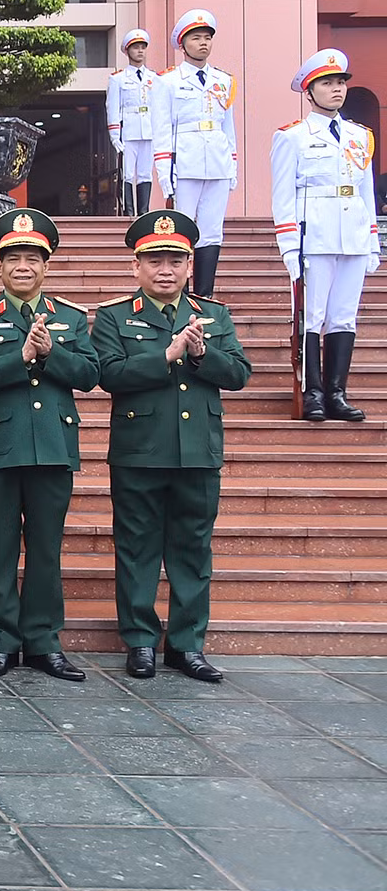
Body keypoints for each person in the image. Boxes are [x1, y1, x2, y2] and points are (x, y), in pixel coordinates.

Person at [93, 210, 251, 682]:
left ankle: (187, 645)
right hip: (139, 451)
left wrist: (202, 353)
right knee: (136, 549)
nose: (166, 270)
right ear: (136, 267)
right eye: (155, 261)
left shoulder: (213, 314)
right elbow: (107, 374)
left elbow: (239, 374)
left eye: (175, 261)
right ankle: (140, 641)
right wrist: (164, 355)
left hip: (198, 450)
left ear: (189, 266)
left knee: (193, 550)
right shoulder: (114, 316)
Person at [0, 209, 97, 682]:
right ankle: (1, 640)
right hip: (0, 446)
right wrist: (21, 356)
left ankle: (43, 642)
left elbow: (89, 375)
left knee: (46, 549)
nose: (22, 266)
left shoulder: (70, 318)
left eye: (32, 258)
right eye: (13, 258)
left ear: (46, 266)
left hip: (53, 445)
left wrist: (52, 353)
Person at [272, 49, 379, 422]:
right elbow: (282, 197)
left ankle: (336, 393)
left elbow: (366, 192)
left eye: (340, 83)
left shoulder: (359, 136)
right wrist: (289, 247)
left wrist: (372, 241)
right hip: (313, 239)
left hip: (352, 236)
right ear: (309, 91)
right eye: (327, 83)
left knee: (344, 317)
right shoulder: (293, 137)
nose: (336, 89)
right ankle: (313, 391)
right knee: (312, 316)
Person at [153, 9, 237, 297]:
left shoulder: (223, 80)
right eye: (196, 38)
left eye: (207, 38)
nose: (203, 43)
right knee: (183, 229)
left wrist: (233, 165)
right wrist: (165, 173)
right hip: (185, 163)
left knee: (212, 231)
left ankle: (205, 296)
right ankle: (182, 295)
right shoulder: (167, 81)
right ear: (182, 44)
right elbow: (161, 130)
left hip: (217, 161)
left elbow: (228, 126)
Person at [106, 29, 156, 216]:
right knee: (127, 174)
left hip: (148, 130)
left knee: (145, 173)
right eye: (136, 47)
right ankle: (128, 212)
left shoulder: (154, 78)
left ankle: (143, 212)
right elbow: (112, 107)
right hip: (128, 129)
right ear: (127, 51)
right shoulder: (118, 79)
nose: (140, 51)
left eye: (143, 47)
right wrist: (114, 135)